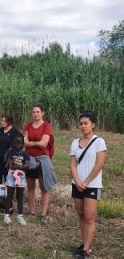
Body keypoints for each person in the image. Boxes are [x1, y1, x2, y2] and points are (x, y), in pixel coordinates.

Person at [70, 111, 106, 259]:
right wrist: (77, 181)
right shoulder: (74, 142)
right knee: (81, 215)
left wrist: (86, 182)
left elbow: (99, 164)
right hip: (77, 184)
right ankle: (84, 243)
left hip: (92, 185)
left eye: (86, 123)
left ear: (93, 125)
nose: (83, 126)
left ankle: (86, 250)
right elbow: (72, 164)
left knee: (90, 218)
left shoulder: (99, 142)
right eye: (81, 123)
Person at [24, 103, 57, 224]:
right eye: (33, 112)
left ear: (42, 113)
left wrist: (31, 142)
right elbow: (24, 143)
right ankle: (32, 212)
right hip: (29, 159)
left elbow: (44, 143)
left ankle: (43, 213)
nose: (35, 114)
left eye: (38, 112)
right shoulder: (27, 126)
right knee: (30, 186)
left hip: (43, 158)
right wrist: (36, 143)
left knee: (44, 187)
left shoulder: (47, 126)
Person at [3, 137, 29, 226]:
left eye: (20, 143)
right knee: (9, 196)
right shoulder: (10, 152)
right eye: (15, 143)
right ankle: (6, 215)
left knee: (20, 197)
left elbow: (27, 165)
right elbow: (9, 164)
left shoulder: (25, 154)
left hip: (21, 177)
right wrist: (17, 166)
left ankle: (20, 216)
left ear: (23, 144)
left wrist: (20, 167)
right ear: (12, 144)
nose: (18, 145)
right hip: (11, 176)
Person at [0, 115, 23, 184]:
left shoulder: (15, 132)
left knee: (8, 175)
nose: (2, 123)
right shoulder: (0, 130)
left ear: (9, 122)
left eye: (4, 121)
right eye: (2, 121)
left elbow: (21, 144)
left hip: (9, 157)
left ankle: (9, 192)